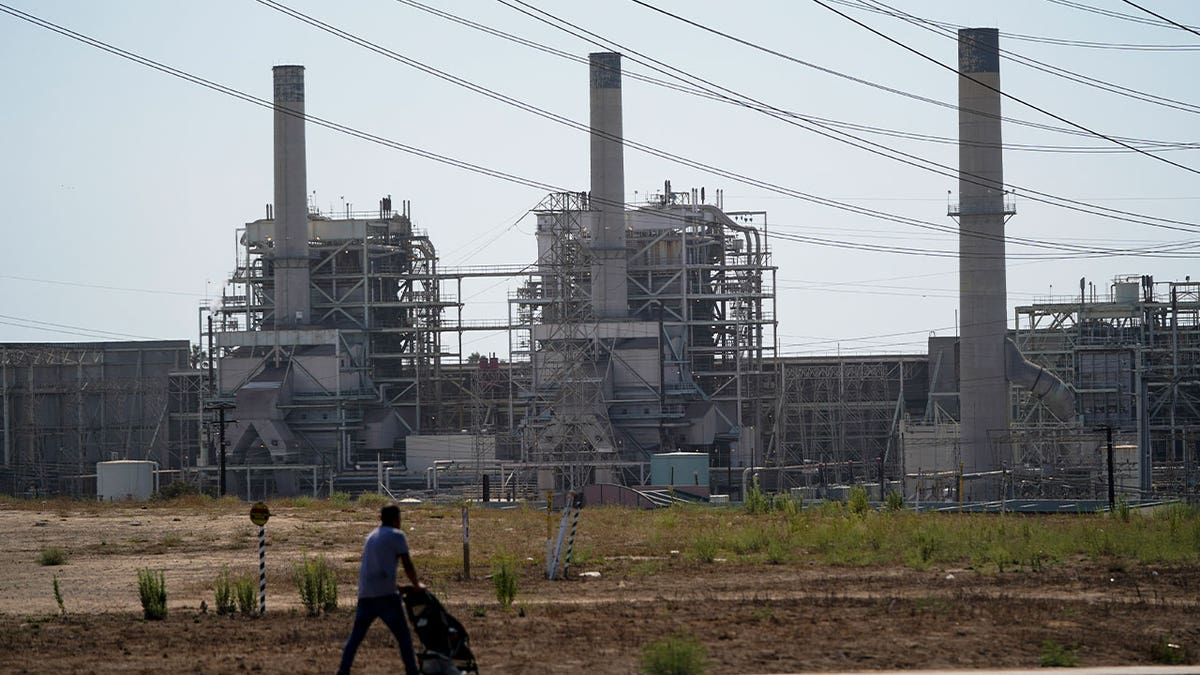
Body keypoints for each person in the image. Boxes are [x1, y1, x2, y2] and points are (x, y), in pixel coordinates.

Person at [337, 503, 423, 675]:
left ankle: (343, 671)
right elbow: (407, 564)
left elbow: (376, 572)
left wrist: (400, 587)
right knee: (404, 638)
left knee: (355, 638)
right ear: (395, 519)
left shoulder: (371, 537)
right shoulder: (397, 536)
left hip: (366, 595)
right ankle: (412, 671)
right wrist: (416, 585)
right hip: (386, 597)